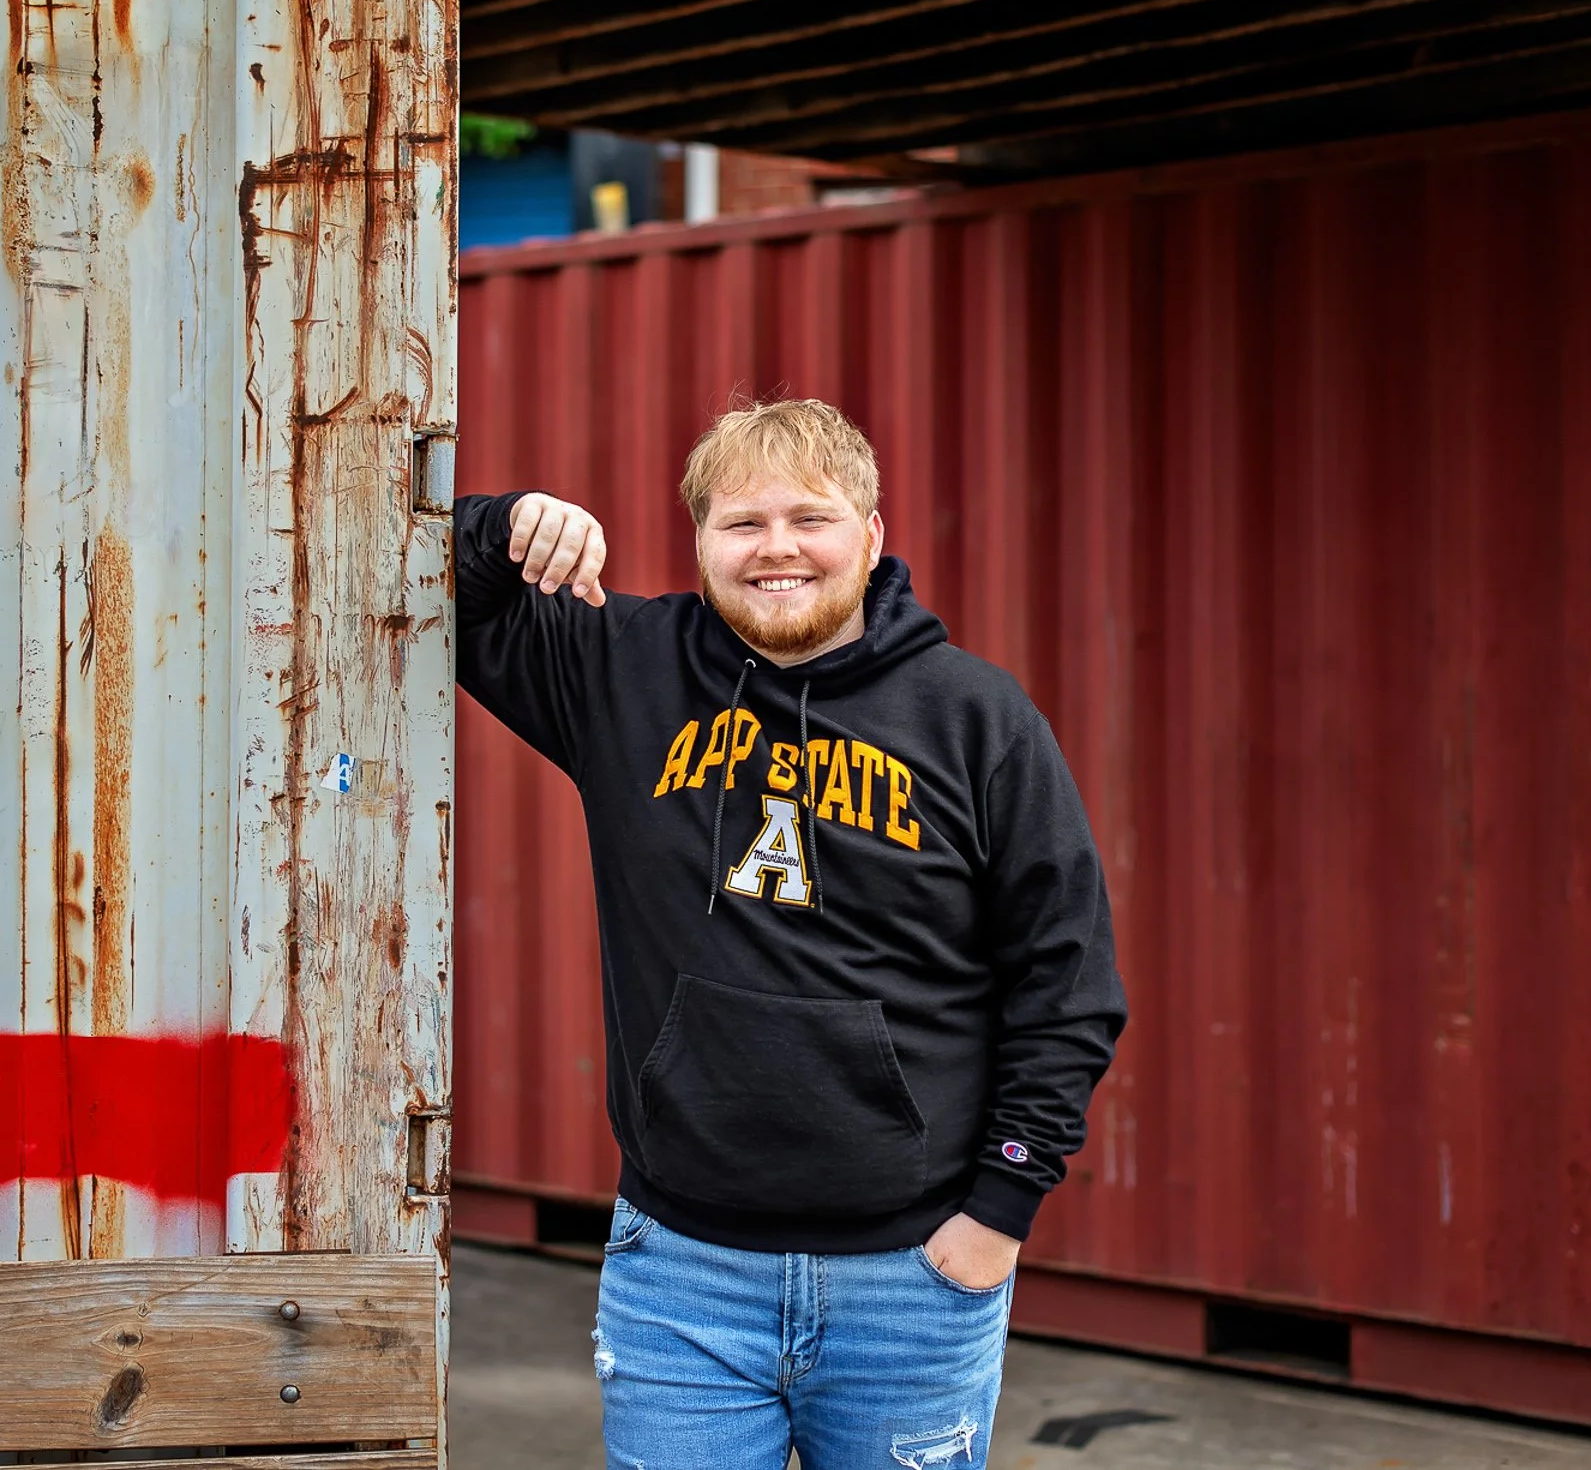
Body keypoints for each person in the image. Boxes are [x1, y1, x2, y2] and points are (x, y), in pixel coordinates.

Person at [454, 397, 1127, 1469]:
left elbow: (1068, 983)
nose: (777, 549)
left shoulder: (975, 720)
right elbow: (417, 584)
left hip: (911, 1276)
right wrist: (507, 524)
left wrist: (1002, 1207)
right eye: (742, 523)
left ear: (871, 533)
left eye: (810, 519)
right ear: (701, 543)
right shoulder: (623, 670)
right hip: (681, 1271)